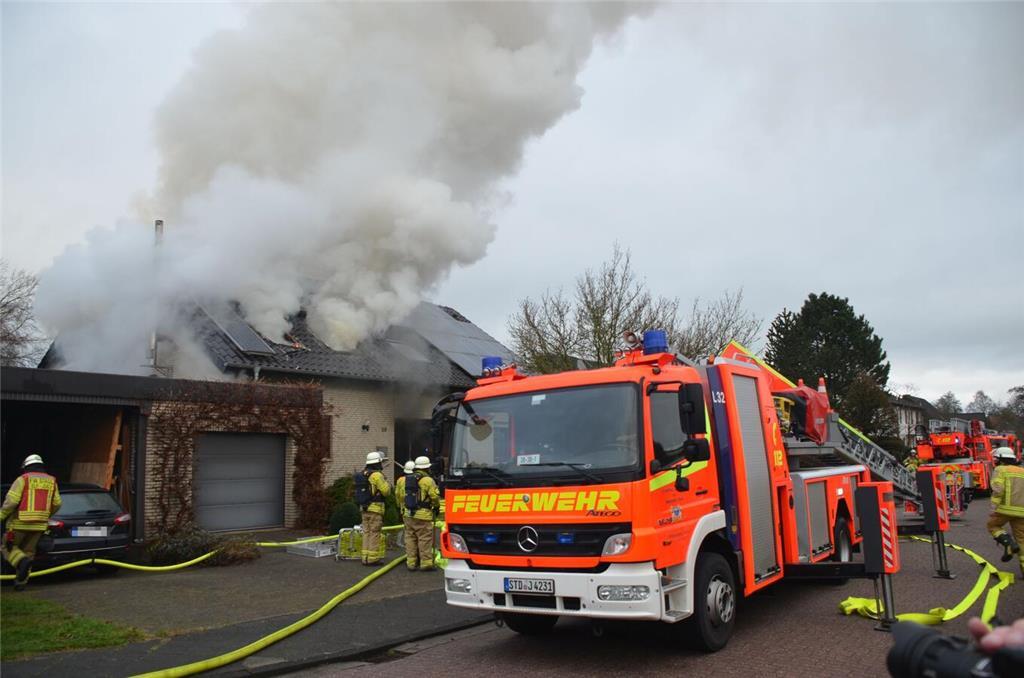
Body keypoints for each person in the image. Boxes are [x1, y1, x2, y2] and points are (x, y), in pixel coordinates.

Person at [1, 454, 62, 591]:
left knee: (7, 547)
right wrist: (45, 515)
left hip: (18, 523)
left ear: (26, 467)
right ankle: (21, 583)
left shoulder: (23, 479)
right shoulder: (52, 481)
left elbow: (11, 502)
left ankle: (21, 562)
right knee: (29, 552)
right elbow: (57, 503)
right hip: (39, 525)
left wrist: (1, 516)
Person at [987, 446, 1024, 577]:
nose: (995, 461)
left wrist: (993, 508)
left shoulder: (1000, 470)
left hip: (1004, 509)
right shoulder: (1022, 471)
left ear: (1001, 459)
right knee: (1022, 539)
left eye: (996, 459)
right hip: (1022, 511)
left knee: (993, 526)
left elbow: (998, 490)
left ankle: (1008, 544)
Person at [405, 455, 441, 571]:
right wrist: (436, 506)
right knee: (424, 538)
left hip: (408, 514)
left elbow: (401, 496)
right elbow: (434, 496)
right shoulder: (428, 480)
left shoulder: (407, 479)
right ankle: (426, 563)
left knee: (410, 538)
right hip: (423, 515)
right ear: (427, 468)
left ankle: (411, 563)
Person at [356, 451, 391, 566]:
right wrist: (386, 482)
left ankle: (365, 558)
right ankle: (372, 559)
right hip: (375, 509)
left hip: (364, 508)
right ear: (377, 463)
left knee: (366, 532)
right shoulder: (377, 475)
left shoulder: (363, 474)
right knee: (374, 533)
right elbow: (386, 492)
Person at [395, 461, 418, 571]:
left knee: (409, 536)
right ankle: (421, 559)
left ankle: (411, 561)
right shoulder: (419, 479)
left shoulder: (400, 480)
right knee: (421, 536)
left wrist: (400, 507)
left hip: (405, 511)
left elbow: (398, 495)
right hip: (419, 511)